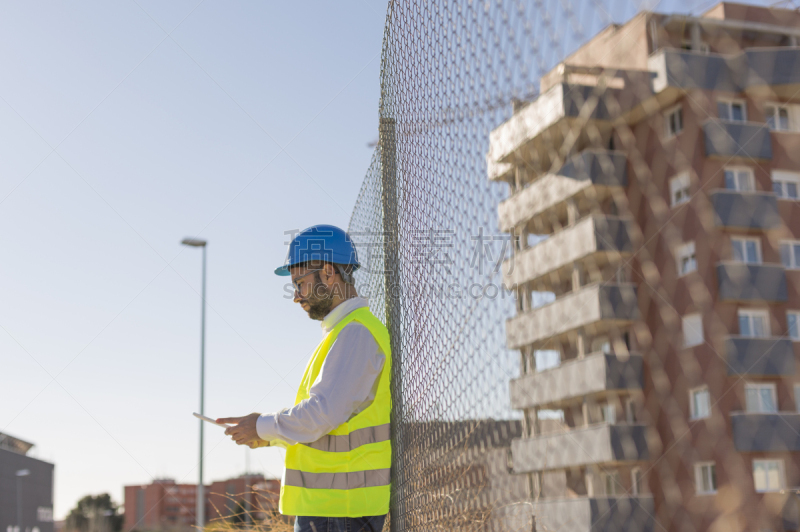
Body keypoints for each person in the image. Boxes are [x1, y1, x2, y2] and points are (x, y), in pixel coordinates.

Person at [218, 224, 391, 532]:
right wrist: (268, 435)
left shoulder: (355, 334)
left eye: (300, 283)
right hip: (336, 510)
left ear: (328, 272)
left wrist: (262, 425)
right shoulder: (345, 332)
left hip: (341, 513)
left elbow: (321, 414)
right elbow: (331, 429)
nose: (296, 296)